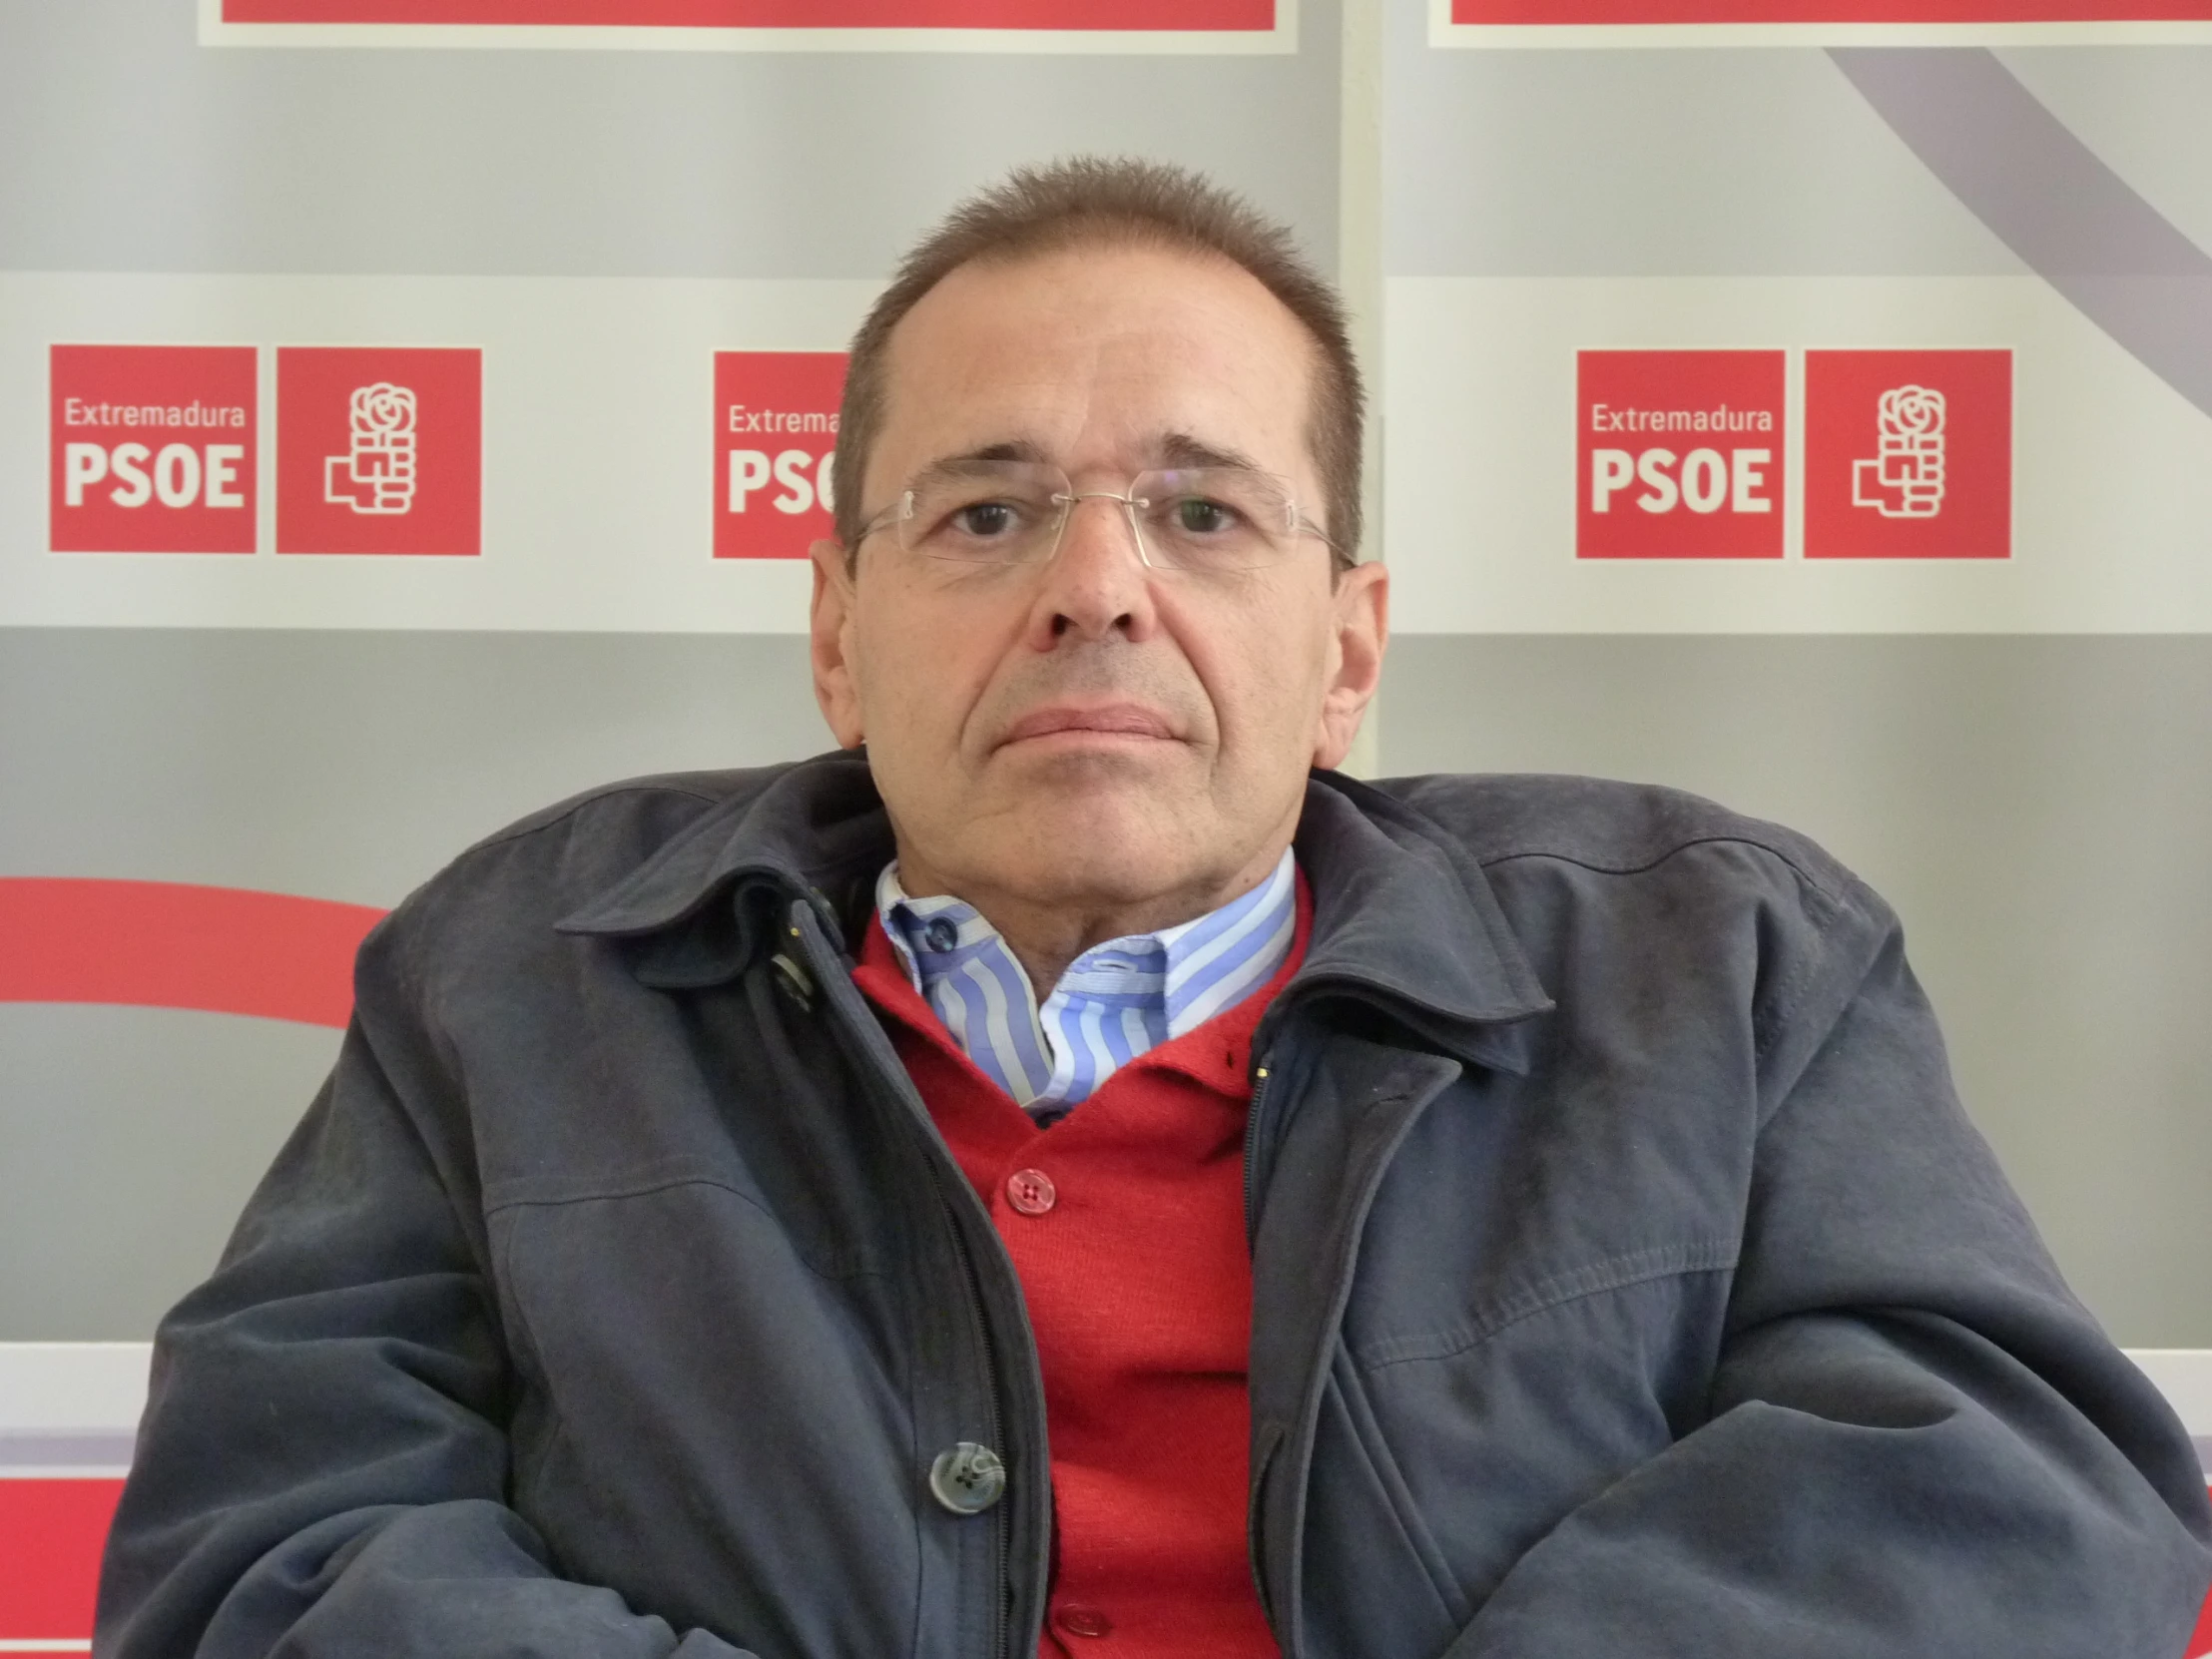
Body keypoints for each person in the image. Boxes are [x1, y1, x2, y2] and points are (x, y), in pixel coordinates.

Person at [99, 158, 2210, 1659]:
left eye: (1201, 511)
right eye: (988, 508)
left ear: (1348, 645)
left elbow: (2016, 1504)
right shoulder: (513, 978)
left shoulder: (1724, 967)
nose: (1095, 584)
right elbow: (262, 1551)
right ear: (837, 632)